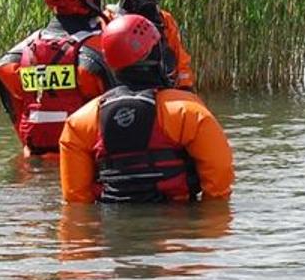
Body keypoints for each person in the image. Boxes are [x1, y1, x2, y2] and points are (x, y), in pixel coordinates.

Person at [57, 14, 233, 204]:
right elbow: (219, 185)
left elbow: (76, 199)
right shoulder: (189, 111)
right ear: (156, 55)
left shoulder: (79, 122)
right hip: (178, 225)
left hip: (112, 229)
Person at [0, 0, 117, 163]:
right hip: (83, 158)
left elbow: (9, 92)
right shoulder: (93, 53)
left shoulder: (23, 52)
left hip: (35, 157)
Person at [103, 0, 195, 89]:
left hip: (161, 88)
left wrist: (185, 88)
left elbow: (180, 59)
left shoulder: (164, 19)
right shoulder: (110, 19)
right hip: (121, 90)